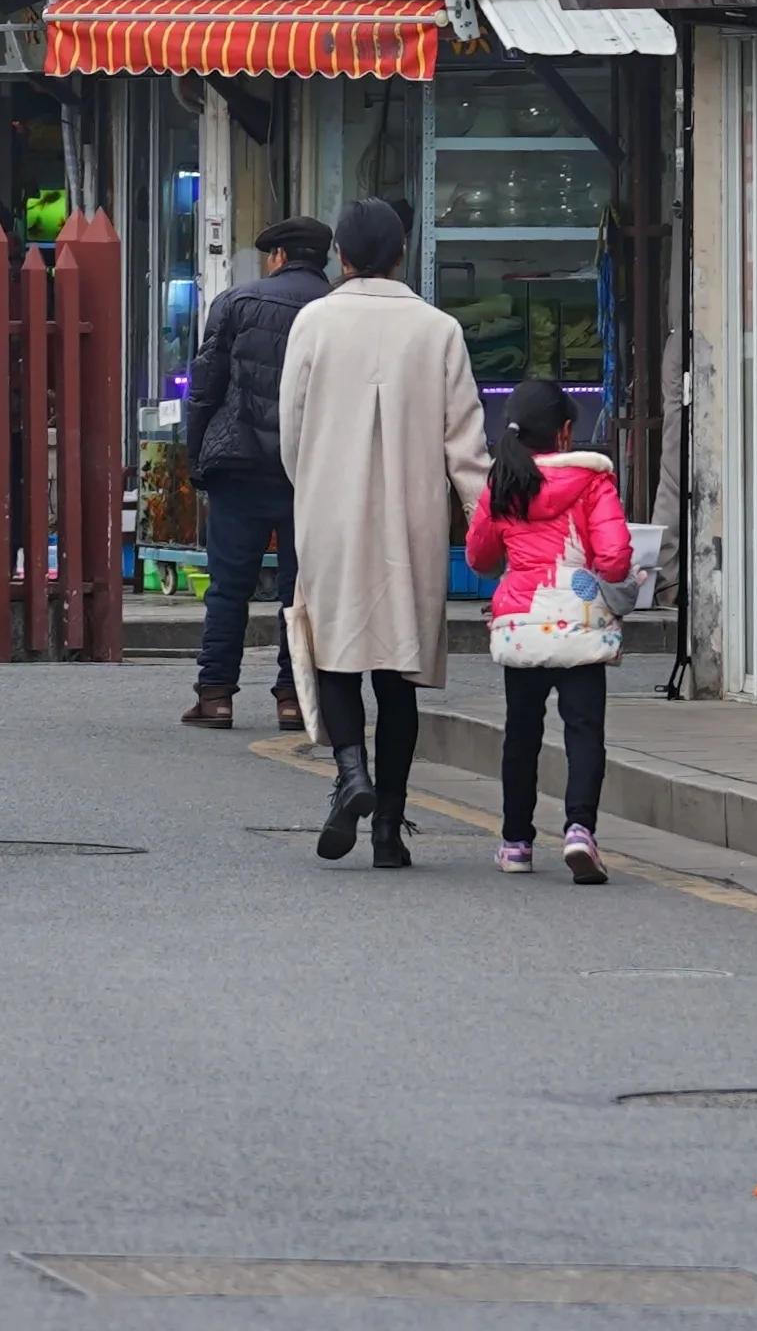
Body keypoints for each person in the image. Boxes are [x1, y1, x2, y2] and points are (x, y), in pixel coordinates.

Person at [275, 196, 483, 870]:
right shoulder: (438, 328)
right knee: (397, 672)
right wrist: (493, 523)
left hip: (329, 508)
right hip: (410, 516)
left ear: (341, 255)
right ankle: (388, 829)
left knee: (333, 651)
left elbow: (291, 426)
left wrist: (308, 481)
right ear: (401, 253)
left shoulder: (314, 321)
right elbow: (465, 444)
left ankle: (348, 770)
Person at [468, 373, 631, 884]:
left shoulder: (502, 485)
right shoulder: (592, 482)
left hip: (523, 628)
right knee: (584, 733)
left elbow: (479, 557)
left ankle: (516, 842)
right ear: (564, 433)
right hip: (581, 628)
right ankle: (580, 830)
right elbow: (614, 557)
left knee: (521, 735)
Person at [174, 214, 332, 733]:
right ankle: (293, 698)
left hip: (238, 465)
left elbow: (204, 387)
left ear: (279, 256)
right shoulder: (336, 310)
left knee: (228, 586)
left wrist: (198, 458)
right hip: (308, 470)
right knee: (300, 589)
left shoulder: (237, 303)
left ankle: (216, 694)